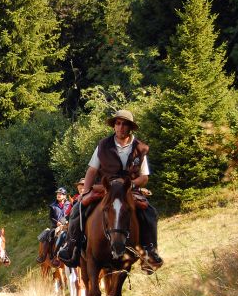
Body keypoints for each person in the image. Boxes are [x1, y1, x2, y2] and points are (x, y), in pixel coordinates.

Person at [58, 109, 163, 272]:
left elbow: (144, 177)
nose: (120, 127)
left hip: (128, 189)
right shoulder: (103, 145)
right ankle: (72, 246)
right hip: (105, 188)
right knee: (78, 208)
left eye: (125, 124)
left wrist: (131, 185)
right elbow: (92, 170)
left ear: (130, 127)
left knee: (149, 211)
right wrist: (85, 191)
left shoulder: (140, 148)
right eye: (118, 123)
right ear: (114, 126)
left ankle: (149, 252)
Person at [36, 188, 71, 264]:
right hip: (56, 226)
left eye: (60, 194)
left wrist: (65, 222)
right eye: (57, 194)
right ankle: (45, 256)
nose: (58, 195)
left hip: (67, 225)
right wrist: (57, 223)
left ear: (65, 196)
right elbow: (51, 217)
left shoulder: (69, 204)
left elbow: (70, 215)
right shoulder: (53, 206)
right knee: (49, 235)